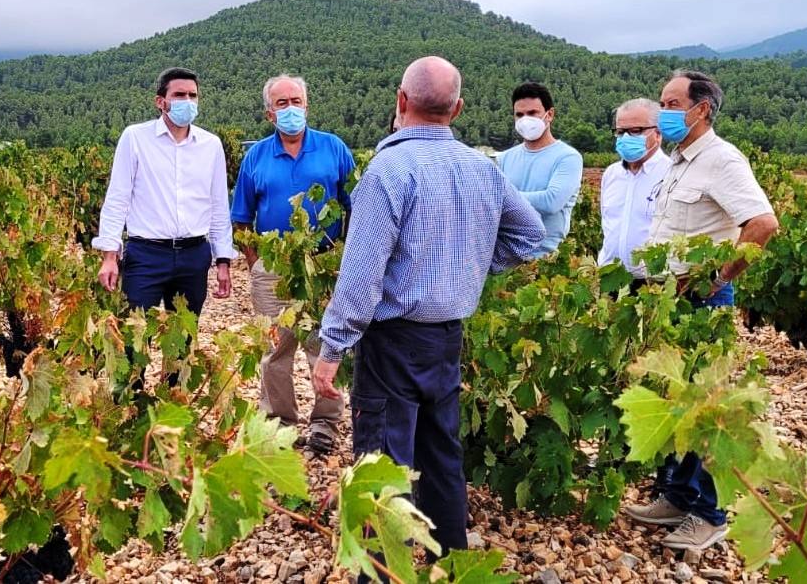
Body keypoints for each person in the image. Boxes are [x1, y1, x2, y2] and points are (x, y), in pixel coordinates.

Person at [312, 57, 545, 566]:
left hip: (392, 341)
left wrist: (331, 349)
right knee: (442, 456)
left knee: (382, 466)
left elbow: (361, 277)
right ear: (458, 109)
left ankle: (380, 573)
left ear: (400, 101)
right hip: (446, 338)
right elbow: (532, 236)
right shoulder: (484, 168)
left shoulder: (388, 171)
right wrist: (475, 267)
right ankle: (451, 567)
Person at [622, 70, 780, 550]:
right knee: (674, 400)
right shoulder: (679, 161)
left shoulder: (722, 160)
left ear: (701, 109)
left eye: (671, 103)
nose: (662, 112)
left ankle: (710, 515)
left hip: (701, 300)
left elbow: (763, 223)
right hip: (668, 296)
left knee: (706, 406)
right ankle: (676, 495)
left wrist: (717, 279)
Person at [232, 74, 355, 455]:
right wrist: (256, 264)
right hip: (272, 268)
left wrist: (343, 258)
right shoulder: (256, 157)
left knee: (326, 346)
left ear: (307, 105)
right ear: (269, 113)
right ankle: (280, 422)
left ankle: (325, 423)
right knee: (274, 351)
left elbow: (357, 207)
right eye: (282, 104)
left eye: (296, 101)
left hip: (322, 266)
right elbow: (241, 219)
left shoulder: (333, 148)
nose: (290, 109)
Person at [94, 67, 237, 386]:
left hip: (193, 255)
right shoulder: (135, 138)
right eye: (179, 95)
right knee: (134, 336)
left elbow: (217, 205)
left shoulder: (210, 145)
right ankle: (130, 407)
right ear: (161, 102)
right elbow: (117, 197)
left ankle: (173, 407)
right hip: (146, 254)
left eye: (193, 96)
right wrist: (109, 254)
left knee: (183, 340)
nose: (188, 101)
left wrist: (223, 260)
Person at [496, 82, 583, 257]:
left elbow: (550, 202)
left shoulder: (568, 157)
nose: (525, 119)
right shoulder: (504, 158)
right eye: (519, 114)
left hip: (546, 260)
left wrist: (502, 196)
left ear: (549, 114)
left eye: (532, 113)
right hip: (508, 257)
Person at [597, 98, 671, 275]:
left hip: (653, 283)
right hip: (610, 279)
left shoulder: (672, 174)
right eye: (621, 132)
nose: (626, 138)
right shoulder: (611, 174)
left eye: (636, 131)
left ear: (658, 133)